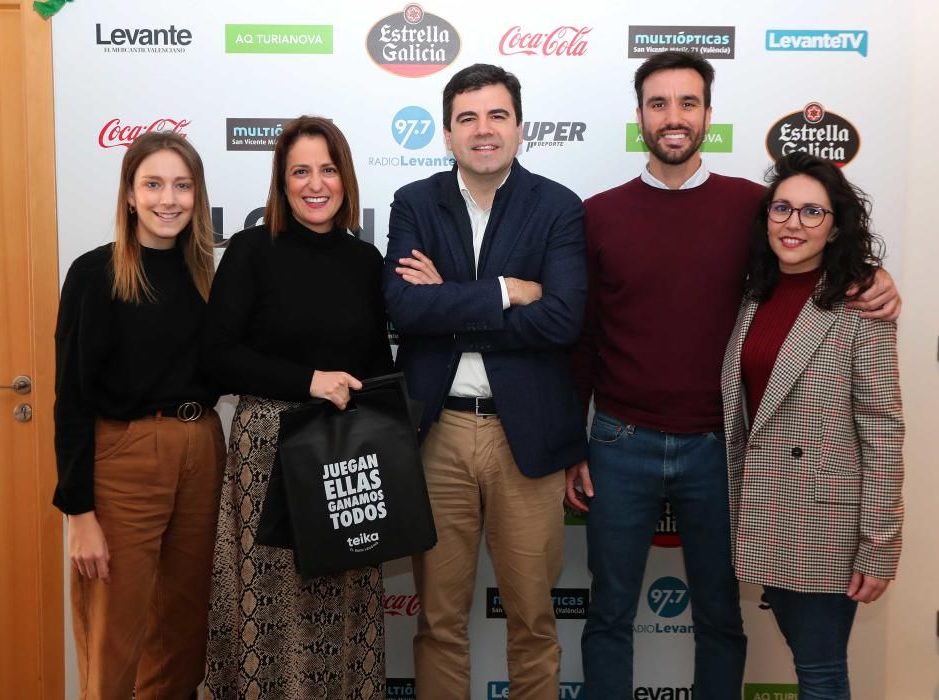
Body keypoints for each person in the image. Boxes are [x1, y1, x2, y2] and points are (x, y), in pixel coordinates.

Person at [565, 50, 901, 699]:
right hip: (617, 443)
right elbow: (581, 337)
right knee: (607, 613)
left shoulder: (755, 207)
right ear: (639, 116)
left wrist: (875, 277)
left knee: (721, 615)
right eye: (658, 103)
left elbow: (816, 254)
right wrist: (574, 444)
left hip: (722, 450)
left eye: (687, 103)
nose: (673, 117)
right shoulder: (597, 214)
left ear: (708, 115)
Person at [382, 63, 587, 699]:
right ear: (446, 133)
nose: (483, 130)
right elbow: (405, 310)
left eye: (497, 115)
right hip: (438, 434)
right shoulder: (415, 202)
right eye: (467, 118)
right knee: (439, 621)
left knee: (532, 617)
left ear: (520, 127)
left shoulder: (557, 206)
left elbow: (561, 319)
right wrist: (505, 292)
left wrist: (454, 304)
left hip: (524, 438)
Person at [203, 116, 393, 699]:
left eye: (328, 170)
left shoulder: (366, 261)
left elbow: (376, 365)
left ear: (346, 178)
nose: (316, 184)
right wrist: (308, 380)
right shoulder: (252, 249)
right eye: (300, 171)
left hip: (345, 458)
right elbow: (215, 357)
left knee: (344, 606)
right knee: (270, 610)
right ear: (281, 184)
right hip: (267, 454)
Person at [721, 152, 903, 699]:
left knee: (820, 672)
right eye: (782, 208)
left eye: (812, 212)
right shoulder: (755, 293)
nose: (793, 223)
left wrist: (879, 546)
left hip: (825, 526)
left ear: (836, 226)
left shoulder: (859, 306)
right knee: (812, 665)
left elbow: (883, 430)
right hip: (764, 511)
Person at [54, 131, 223, 698]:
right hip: (125, 457)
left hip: (202, 447)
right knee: (116, 630)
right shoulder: (94, 274)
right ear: (129, 194)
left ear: (198, 196)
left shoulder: (209, 277)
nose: (167, 199)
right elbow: (71, 398)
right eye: (152, 184)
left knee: (181, 630)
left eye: (182, 185)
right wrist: (79, 513)